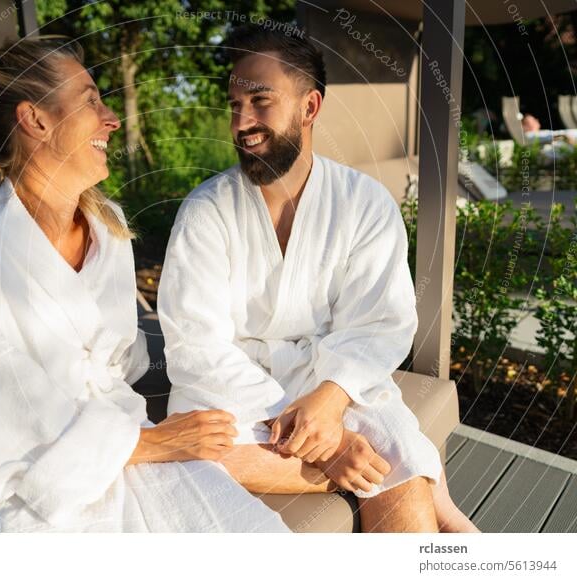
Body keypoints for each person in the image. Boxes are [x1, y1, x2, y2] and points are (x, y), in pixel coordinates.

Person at [0, 36, 290, 533]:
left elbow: (121, 364)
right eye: (90, 100)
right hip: (22, 492)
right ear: (36, 119)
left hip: (124, 437)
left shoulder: (108, 228)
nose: (111, 118)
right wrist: (154, 443)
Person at [157, 25, 479, 533]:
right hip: (232, 389)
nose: (242, 121)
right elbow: (194, 345)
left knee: (394, 462)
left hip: (335, 379)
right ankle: (412, 489)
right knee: (194, 455)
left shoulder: (364, 204)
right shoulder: (206, 211)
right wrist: (324, 444)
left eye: (260, 101)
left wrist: (328, 403)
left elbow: (382, 322)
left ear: (310, 107)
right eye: (234, 103)